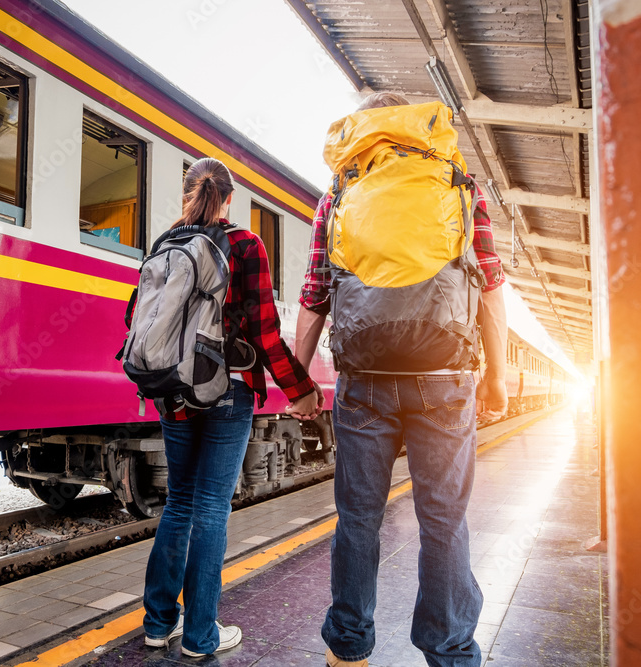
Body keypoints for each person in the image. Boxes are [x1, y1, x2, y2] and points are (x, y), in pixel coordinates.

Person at [290, 92, 509, 667]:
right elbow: (490, 288)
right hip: (445, 377)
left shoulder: (340, 190)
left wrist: (298, 382)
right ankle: (450, 649)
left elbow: (315, 294)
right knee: (442, 518)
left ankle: (349, 647)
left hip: (364, 379)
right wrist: (498, 378)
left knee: (359, 517)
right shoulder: (459, 182)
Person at [142, 157, 320, 657]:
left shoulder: (166, 243)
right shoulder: (245, 244)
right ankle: (201, 636)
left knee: (178, 503)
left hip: (173, 391)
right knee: (212, 508)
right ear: (230, 198)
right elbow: (264, 331)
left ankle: (158, 624)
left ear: (188, 195)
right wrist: (299, 388)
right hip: (228, 390)